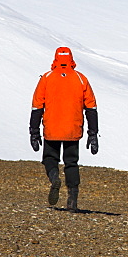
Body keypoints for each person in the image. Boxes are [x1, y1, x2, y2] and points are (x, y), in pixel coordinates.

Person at [29, 47, 99, 213]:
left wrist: (34, 131)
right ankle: (72, 201)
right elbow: (91, 107)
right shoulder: (81, 79)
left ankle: (54, 178)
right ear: (71, 59)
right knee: (71, 163)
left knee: (49, 158)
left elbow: (37, 106)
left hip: (52, 128)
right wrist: (93, 133)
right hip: (72, 130)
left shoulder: (47, 78)